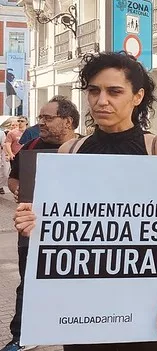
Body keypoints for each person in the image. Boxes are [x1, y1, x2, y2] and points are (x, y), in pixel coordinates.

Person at [13, 51, 157, 350]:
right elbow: (62, 225)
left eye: (114, 91)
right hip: (82, 305)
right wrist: (32, 223)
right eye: (94, 90)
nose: (101, 100)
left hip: (141, 303)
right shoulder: (70, 150)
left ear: (137, 96)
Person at [1, 96, 79, 351]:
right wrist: (18, 189)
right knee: (29, 283)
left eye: (47, 118)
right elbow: (13, 179)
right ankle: (21, 337)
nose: (40, 123)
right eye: (41, 118)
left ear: (67, 121)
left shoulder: (87, 146)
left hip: (77, 234)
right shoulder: (31, 144)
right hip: (33, 231)